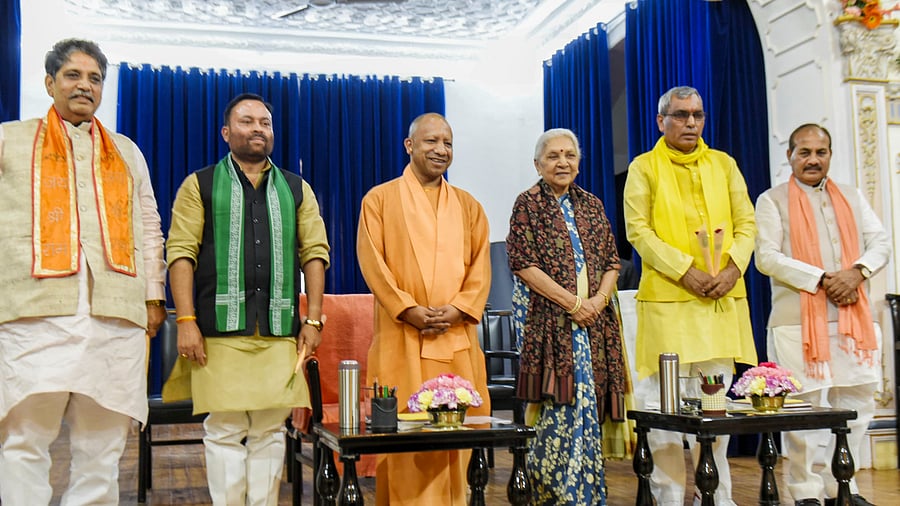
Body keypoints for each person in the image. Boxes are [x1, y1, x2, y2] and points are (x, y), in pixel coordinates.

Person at [0, 38, 167, 504]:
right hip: (33, 315)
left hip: (114, 317)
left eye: (94, 78)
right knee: (24, 443)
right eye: (73, 75)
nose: (84, 86)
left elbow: (149, 225)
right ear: (49, 82)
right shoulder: (9, 139)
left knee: (102, 451)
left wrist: (154, 296)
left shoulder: (126, 152)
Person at [166, 93, 330, 506]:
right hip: (219, 330)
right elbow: (181, 252)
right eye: (246, 121)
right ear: (226, 132)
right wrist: (185, 321)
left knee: (270, 431)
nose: (258, 128)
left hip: (279, 330)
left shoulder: (296, 188)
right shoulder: (199, 184)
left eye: (265, 122)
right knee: (224, 430)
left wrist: (313, 321)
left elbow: (314, 252)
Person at [623, 85, 758, 506]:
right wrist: (686, 272)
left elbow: (747, 223)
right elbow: (638, 232)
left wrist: (733, 268)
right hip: (668, 308)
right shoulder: (644, 167)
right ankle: (667, 497)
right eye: (681, 115)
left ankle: (714, 495)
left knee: (714, 408)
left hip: (719, 304)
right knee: (664, 412)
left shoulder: (724, 164)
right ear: (660, 121)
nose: (691, 123)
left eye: (697, 115)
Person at [357, 112, 491, 505]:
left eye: (447, 143)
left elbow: (480, 268)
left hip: (455, 336)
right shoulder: (379, 200)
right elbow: (372, 262)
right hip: (402, 334)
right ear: (409, 145)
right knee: (405, 435)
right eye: (431, 141)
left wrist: (460, 308)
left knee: (457, 435)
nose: (441, 150)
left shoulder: (469, 206)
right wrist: (407, 308)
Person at [755, 124, 890, 506]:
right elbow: (766, 257)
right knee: (805, 409)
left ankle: (842, 484)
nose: (813, 159)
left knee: (858, 403)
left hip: (852, 318)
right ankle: (805, 491)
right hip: (798, 322)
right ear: (790, 156)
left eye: (821, 152)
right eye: (805, 152)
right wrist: (821, 278)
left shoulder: (851, 196)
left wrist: (858, 272)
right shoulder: (771, 200)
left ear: (830, 154)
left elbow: (880, 242)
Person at [505, 128, 627, 505]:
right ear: (538, 164)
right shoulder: (527, 204)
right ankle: (553, 494)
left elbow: (611, 261)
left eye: (569, 155)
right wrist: (573, 304)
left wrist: (599, 301)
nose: (563, 162)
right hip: (550, 325)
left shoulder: (591, 204)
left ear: (578, 162)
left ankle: (587, 495)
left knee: (587, 405)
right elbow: (522, 263)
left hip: (594, 324)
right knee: (557, 406)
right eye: (553, 156)